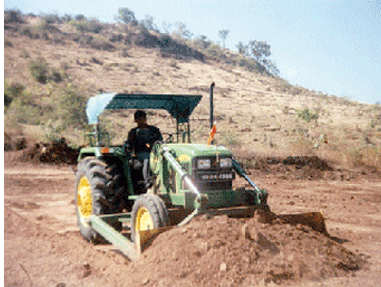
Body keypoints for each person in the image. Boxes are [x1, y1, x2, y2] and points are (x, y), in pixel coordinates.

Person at [125, 110, 163, 189]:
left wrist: (153, 143)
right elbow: (129, 145)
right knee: (147, 159)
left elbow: (160, 141)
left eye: (142, 119)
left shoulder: (154, 130)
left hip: (155, 153)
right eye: (138, 120)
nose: (140, 121)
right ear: (135, 120)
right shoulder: (133, 132)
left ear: (145, 119)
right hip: (140, 154)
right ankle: (148, 182)